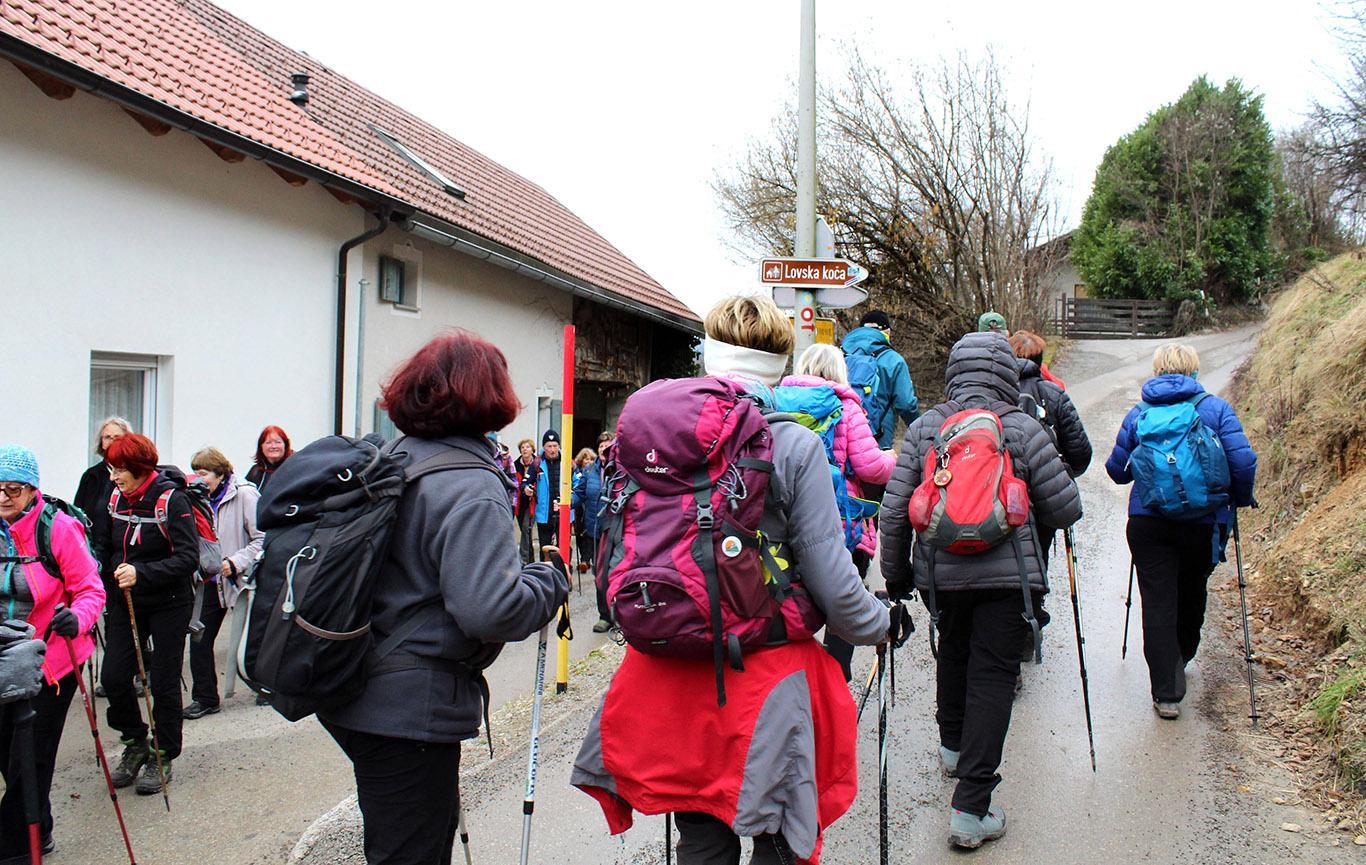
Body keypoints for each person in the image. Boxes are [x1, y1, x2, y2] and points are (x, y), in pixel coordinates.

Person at [573, 295, 894, 865]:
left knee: (700, 837)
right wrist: (883, 624)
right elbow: (836, 587)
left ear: (709, 357)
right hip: (764, 677)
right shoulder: (791, 445)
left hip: (667, 670)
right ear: (779, 365)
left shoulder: (648, 437)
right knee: (778, 835)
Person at [317, 330, 567, 865]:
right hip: (408, 707)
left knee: (398, 837)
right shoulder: (470, 483)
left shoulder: (390, 458)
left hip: (352, 682)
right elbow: (491, 610)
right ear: (491, 398)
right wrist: (548, 582)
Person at [881, 331, 1082, 850]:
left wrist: (897, 577)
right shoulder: (1021, 425)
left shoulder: (926, 428)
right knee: (993, 675)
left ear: (954, 371)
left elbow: (895, 510)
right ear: (1007, 372)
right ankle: (971, 808)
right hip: (1008, 576)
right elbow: (1066, 509)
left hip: (940, 574)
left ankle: (952, 747)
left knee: (953, 650)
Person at [1105, 343, 1256, 720]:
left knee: (1158, 601)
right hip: (1203, 523)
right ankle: (1182, 655)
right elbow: (1242, 461)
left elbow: (1117, 471)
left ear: (1157, 370)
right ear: (1194, 370)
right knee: (1192, 591)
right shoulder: (1216, 409)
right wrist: (1240, 498)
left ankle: (1167, 693)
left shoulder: (1140, 412)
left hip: (1150, 523)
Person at [0, 445, 105, 861]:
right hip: (4, 658)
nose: (4, 496)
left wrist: (76, 618)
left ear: (32, 490)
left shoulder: (58, 529)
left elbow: (91, 589)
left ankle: (15, 850)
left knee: (30, 760)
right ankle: (38, 828)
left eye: (13, 488)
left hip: (51, 660)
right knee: (8, 756)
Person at [778, 342, 897, 680]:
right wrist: (892, 459)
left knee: (788, 596)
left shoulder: (775, 401)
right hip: (841, 521)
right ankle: (834, 676)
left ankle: (794, 675)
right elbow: (871, 467)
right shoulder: (846, 408)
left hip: (784, 519)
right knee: (841, 596)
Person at [101, 433, 199, 795]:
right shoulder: (115, 497)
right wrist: (105, 578)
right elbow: (105, 544)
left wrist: (142, 573)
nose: (114, 476)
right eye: (111, 468)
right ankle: (135, 741)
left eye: (120, 469)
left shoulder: (171, 500)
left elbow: (188, 558)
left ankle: (163, 753)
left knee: (163, 681)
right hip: (126, 599)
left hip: (169, 601)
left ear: (140, 468)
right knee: (114, 677)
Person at [183, 447, 263, 720]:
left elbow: (263, 538)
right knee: (199, 639)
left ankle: (265, 686)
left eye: (203, 473)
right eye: (195, 473)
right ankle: (205, 698)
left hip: (242, 580)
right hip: (209, 581)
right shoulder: (196, 498)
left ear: (220, 473)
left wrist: (235, 562)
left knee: (253, 638)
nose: (199, 478)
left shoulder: (244, 494)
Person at [1008, 329, 1091, 566]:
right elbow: (1080, 453)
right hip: (1044, 493)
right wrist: (1061, 473)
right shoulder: (1054, 393)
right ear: (1039, 360)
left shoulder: (996, 393)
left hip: (1002, 492)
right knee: (1038, 556)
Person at [840, 309, 920, 449]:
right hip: (878, 436)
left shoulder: (838, 355)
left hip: (842, 433)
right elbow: (906, 404)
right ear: (886, 331)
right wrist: (919, 431)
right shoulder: (893, 359)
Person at [74, 417, 132, 580]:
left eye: (117, 437)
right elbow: (77, 514)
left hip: (124, 561)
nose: (112, 442)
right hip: (95, 556)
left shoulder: (134, 475)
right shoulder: (91, 476)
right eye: (107, 437)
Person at [571, 438, 608, 632]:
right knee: (599, 573)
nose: (603, 448)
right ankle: (605, 616)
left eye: (607, 445)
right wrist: (567, 501)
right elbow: (580, 493)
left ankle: (621, 613)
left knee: (615, 571)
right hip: (594, 528)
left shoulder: (621, 468)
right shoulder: (589, 470)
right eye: (601, 445)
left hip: (615, 529)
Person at [533, 430, 563, 551]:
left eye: (555, 446)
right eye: (549, 446)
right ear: (543, 447)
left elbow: (578, 483)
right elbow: (526, 483)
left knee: (563, 549)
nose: (552, 450)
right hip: (544, 514)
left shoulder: (568, 462)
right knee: (544, 549)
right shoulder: (537, 463)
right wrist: (527, 489)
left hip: (563, 513)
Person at [245, 426, 293, 493]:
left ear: (285, 445)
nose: (273, 446)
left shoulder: (295, 468)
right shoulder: (255, 472)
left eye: (278, 442)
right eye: (268, 442)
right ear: (261, 446)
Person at [513, 439, 538, 565]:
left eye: (527, 447)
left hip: (534, 502)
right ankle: (530, 561)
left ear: (532, 450)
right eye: (522, 447)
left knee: (526, 528)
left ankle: (523, 560)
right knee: (526, 531)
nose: (525, 449)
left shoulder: (538, 463)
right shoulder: (515, 465)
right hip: (520, 503)